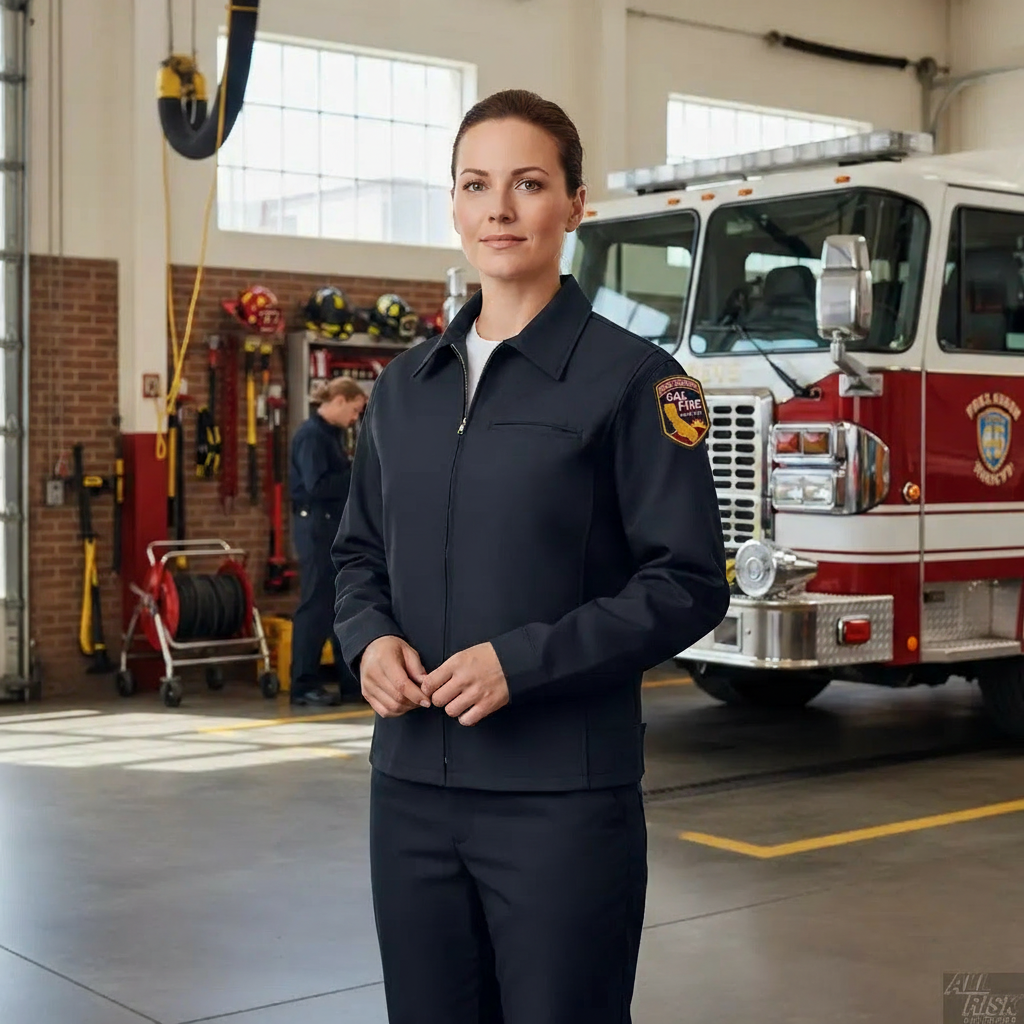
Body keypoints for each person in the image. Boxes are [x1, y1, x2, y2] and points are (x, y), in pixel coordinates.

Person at [333, 89, 730, 1023]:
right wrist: (367, 639)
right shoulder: (402, 391)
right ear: (455, 206)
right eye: (477, 185)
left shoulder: (638, 382)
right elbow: (358, 554)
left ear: (575, 205)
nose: (499, 208)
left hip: (559, 802)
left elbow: (687, 583)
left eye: (528, 183)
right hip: (410, 795)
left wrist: (524, 662)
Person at [289, 376, 367, 707]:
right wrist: (359, 472)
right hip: (316, 529)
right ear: (337, 401)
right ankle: (303, 683)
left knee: (340, 604)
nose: (354, 418)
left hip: (331, 527)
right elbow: (317, 486)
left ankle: (350, 683)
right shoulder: (311, 437)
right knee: (316, 606)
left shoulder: (331, 436)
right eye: (353, 410)